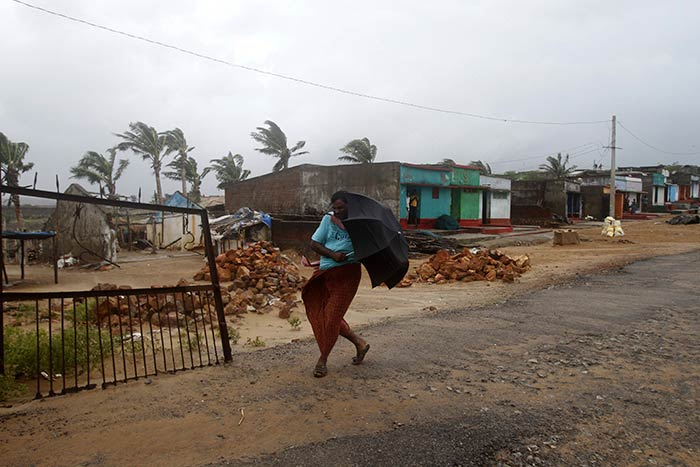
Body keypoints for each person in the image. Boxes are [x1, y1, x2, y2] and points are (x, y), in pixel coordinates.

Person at [301, 191, 370, 378]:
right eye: (335, 208)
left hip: (348, 275)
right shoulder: (327, 221)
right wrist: (333, 255)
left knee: (331, 317)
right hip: (325, 272)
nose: (338, 211)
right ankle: (359, 343)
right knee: (321, 312)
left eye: (341, 208)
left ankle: (323, 359)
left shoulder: (361, 224)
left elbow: (368, 250)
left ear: (350, 207)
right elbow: (314, 244)